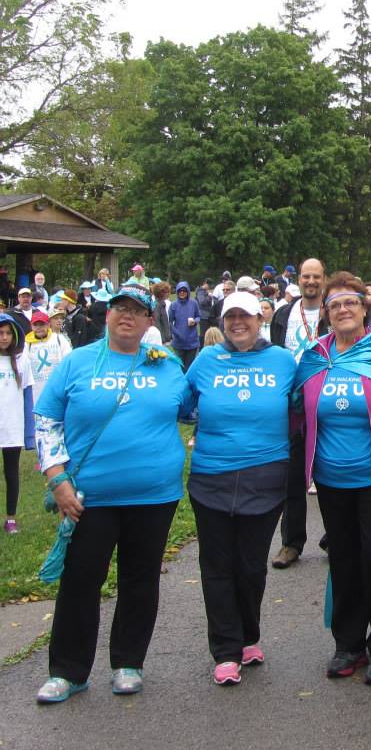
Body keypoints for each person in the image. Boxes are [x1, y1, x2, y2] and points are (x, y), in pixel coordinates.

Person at [33, 284, 191, 702]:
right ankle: (68, 672)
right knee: (81, 579)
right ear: (107, 315)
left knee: (140, 579)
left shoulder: (167, 364)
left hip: (154, 495)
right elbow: (46, 420)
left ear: (149, 321)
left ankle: (128, 662)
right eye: (119, 307)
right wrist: (57, 479)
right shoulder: (77, 362)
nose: (127, 315)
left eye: (137, 310)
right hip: (88, 497)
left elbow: (194, 409)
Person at [295, 271, 371, 687]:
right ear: (326, 313)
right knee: (343, 558)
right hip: (330, 479)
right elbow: (295, 409)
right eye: (335, 305)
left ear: (365, 308)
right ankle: (348, 643)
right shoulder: (313, 357)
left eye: (351, 303)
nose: (343, 310)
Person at [184, 291, 297, 685]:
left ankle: (249, 636)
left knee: (250, 567)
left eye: (245, 316)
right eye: (230, 316)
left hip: (265, 478)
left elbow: (302, 404)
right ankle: (226, 650)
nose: (237, 323)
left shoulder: (283, 361)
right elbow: (181, 404)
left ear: (259, 319)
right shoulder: (206, 360)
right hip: (210, 478)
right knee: (217, 566)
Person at [270, 258, 327, 568]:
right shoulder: (284, 313)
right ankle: (291, 543)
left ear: (324, 279)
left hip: (326, 402)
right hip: (291, 406)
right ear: (299, 279)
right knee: (291, 477)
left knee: (330, 473)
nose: (311, 281)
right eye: (306, 276)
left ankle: (335, 539)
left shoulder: (333, 311)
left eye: (316, 276)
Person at [1, 313, 35, 534]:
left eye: (7, 333)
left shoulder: (22, 360)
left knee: (11, 472)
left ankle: (11, 518)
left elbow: (28, 397)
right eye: (0, 333)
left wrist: (30, 434)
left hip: (12, 426)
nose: (4, 337)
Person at [26, 311, 72, 404]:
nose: (39, 328)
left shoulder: (59, 339)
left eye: (42, 324)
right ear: (31, 326)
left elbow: (69, 362)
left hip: (57, 390)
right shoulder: (27, 344)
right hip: (36, 393)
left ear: (48, 325)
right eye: (35, 325)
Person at [168, 281, 200, 370]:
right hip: (179, 342)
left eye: (184, 290)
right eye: (180, 291)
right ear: (177, 292)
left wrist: (195, 321)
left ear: (188, 291)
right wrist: (176, 333)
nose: (182, 292)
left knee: (190, 366)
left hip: (192, 340)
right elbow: (170, 322)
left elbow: (198, 316)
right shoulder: (173, 305)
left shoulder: (194, 303)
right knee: (179, 366)